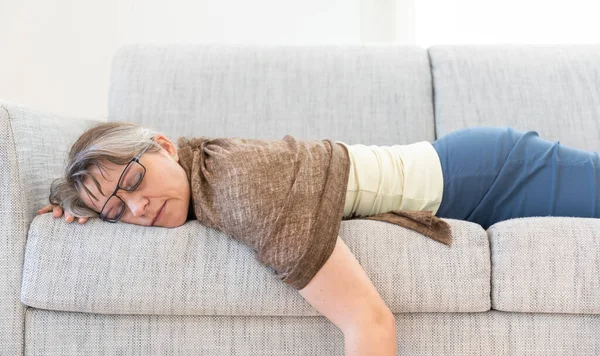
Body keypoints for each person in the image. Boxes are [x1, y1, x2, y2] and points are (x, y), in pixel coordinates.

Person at [37, 123, 600, 356]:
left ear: (163, 145)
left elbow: (369, 320)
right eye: (118, 209)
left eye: (134, 182)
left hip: (491, 174)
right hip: (468, 176)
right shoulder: (200, 171)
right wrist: (75, 208)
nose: (137, 206)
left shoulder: (237, 186)